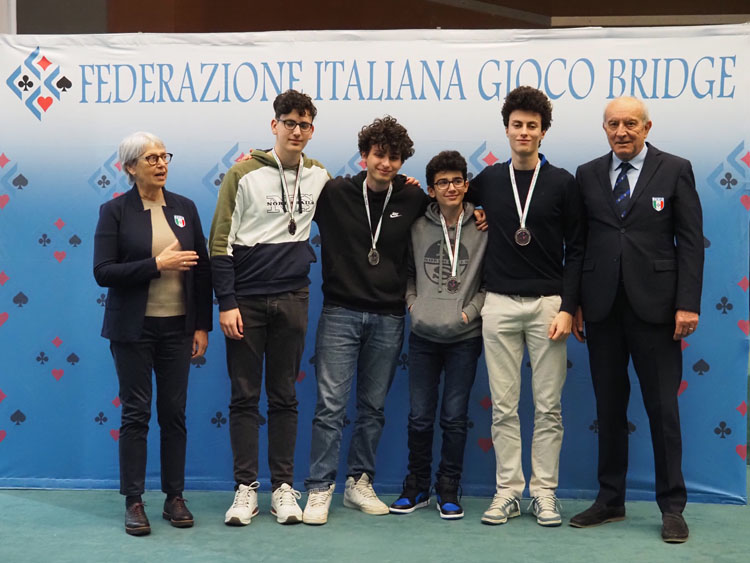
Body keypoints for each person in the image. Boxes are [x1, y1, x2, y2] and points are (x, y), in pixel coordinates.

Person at [569, 96, 703, 544]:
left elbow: (690, 241)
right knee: (608, 407)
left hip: (658, 311)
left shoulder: (676, 168)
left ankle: (672, 507)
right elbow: (580, 245)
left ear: (647, 127)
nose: (621, 131)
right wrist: (575, 303)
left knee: (662, 409)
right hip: (602, 308)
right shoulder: (587, 174)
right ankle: (610, 500)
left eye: (630, 123)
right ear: (604, 129)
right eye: (613, 124)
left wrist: (687, 304)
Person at [209, 90, 330, 526]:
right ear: (274, 125)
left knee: (284, 396)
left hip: (293, 298)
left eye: (304, 124)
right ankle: (245, 489)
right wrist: (226, 303)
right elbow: (219, 243)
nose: (296, 131)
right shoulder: (241, 174)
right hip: (246, 301)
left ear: (312, 130)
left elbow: (358, 204)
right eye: (289, 122)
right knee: (244, 396)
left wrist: (404, 187)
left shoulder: (319, 175)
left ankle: (283, 488)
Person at [301, 116, 428, 525]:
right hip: (340, 313)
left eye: (394, 158)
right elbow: (291, 184)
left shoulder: (412, 197)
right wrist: (260, 161)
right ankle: (320, 487)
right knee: (330, 407)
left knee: (373, 408)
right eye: (379, 155)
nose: (386, 164)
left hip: (389, 316)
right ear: (364, 156)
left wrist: (479, 214)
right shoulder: (335, 192)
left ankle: (359, 482)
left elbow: (454, 203)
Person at [467, 86, 584, 527]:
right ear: (506, 129)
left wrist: (568, 307)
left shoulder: (563, 183)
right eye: (517, 124)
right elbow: (449, 200)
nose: (524, 132)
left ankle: (545, 494)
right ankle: (508, 492)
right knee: (503, 406)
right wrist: (475, 211)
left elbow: (578, 250)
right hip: (497, 303)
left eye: (532, 126)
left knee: (548, 407)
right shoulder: (488, 180)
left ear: (543, 132)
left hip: (547, 306)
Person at [93, 131, 212, 536]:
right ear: (130, 167)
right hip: (133, 330)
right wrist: (156, 265)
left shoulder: (185, 208)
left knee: (174, 414)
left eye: (164, 156)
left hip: (178, 328)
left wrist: (201, 325)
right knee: (136, 413)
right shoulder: (115, 211)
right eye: (151, 158)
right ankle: (134, 500)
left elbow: (202, 269)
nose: (161, 164)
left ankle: (174, 497)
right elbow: (103, 272)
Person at [389, 150, 487, 520]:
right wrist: (414, 305)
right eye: (442, 182)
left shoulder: (483, 226)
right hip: (424, 336)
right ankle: (416, 486)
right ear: (431, 190)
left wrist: (469, 313)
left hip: (465, 337)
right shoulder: (417, 227)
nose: (450, 188)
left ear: (466, 184)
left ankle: (448, 487)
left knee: (455, 417)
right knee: (419, 417)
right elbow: (408, 273)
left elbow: (490, 281)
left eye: (457, 180)